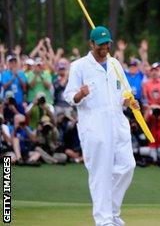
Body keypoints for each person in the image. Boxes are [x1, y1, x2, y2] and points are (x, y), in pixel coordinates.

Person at [62, 26, 137, 226]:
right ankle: (104, 221)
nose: (104, 47)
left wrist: (130, 102)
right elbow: (69, 96)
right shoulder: (79, 66)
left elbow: (125, 94)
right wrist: (81, 94)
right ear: (91, 44)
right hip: (94, 126)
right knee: (100, 174)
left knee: (127, 166)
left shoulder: (115, 64)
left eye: (107, 43)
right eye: (101, 44)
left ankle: (111, 212)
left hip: (118, 122)